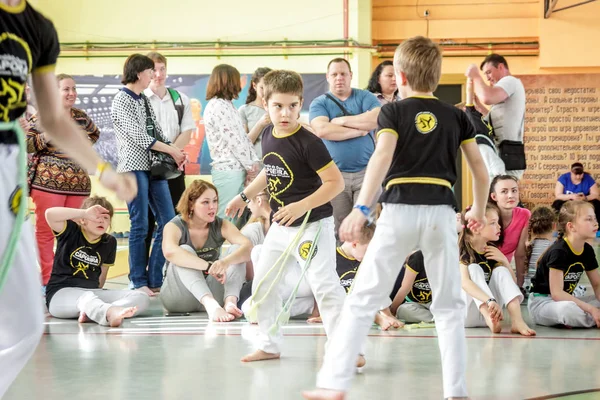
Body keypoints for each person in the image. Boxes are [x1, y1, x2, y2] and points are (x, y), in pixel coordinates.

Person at [302, 36, 489, 400]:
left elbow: (382, 157)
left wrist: (362, 208)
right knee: (449, 306)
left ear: (399, 76)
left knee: (363, 298)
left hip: (399, 210)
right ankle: (457, 391)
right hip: (440, 212)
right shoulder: (457, 116)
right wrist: (478, 211)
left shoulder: (393, 112)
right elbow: (480, 172)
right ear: (437, 76)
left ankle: (335, 383)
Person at [0, 1, 136, 397]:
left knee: (26, 323)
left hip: (8, 162)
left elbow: (55, 118)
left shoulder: (37, 28)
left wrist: (104, 172)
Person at [225, 70, 356, 366]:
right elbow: (268, 171)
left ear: (300, 103)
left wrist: (300, 206)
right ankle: (270, 345)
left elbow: (334, 184)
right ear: (265, 103)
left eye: (292, 106)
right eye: (278, 106)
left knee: (325, 286)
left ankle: (348, 351)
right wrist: (243, 196)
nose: (285, 113)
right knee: (264, 285)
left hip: (313, 225)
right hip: (282, 227)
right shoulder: (270, 134)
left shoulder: (309, 142)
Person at [111, 54, 185, 296]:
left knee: (169, 220)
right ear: (138, 72)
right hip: (133, 168)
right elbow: (139, 137)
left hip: (153, 168)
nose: (153, 76)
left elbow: (157, 132)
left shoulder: (142, 99)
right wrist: (171, 150)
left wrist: (175, 154)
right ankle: (137, 280)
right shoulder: (121, 100)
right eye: (149, 71)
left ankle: (155, 278)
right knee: (140, 224)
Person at [27, 74, 100, 288]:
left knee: (75, 232)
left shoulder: (81, 117)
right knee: (46, 231)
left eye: (74, 89)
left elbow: (95, 134)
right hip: (47, 184)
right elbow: (27, 144)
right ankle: (49, 281)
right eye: (66, 89)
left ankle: (69, 278)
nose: (71, 93)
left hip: (78, 186)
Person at [45, 197, 150, 326]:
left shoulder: (110, 242)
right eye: (96, 217)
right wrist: (83, 213)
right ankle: (106, 311)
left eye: (106, 218)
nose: (101, 220)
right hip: (61, 294)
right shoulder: (71, 231)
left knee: (140, 297)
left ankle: (98, 311)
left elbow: (102, 276)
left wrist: (100, 298)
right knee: (86, 299)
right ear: (83, 220)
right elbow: (49, 214)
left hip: (92, 293)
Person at [160, 180, 252, 322]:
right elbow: (170, 252)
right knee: (183, 250)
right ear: (191, 204)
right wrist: (209, 266)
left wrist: (225, 262)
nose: (212, 207)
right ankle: (211, 305)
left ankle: (230, 302)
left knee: (237, 250)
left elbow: (248, 247)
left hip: (214, 292)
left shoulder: (221, 225)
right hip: (179, 297)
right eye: (205, 202)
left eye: (215, 201)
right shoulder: (174, 225)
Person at [309, 58, 381, 232]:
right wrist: (359, 130)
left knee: (366, 225)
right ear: (327, 77)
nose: (339, 78)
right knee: (338, 226)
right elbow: (322, 130)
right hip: (335, 175)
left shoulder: (365, 97)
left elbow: (377, 118)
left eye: (343, 74)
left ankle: (364, 259)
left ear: (351, 76)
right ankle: (341, 259)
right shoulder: (320, 103)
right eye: (334, 74)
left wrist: (342, 121)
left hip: (366, 173)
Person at [143, 52, 196, 263]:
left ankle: (171, 268)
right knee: (145, 223)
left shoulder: (180, 99)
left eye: (162, 69)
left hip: (173, 168)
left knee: (176, 220)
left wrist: (171, 152)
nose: (158, 74)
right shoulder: (140, 99)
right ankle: (141, 274)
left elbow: (187, 132)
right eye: (153, 70)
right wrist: (167, 151)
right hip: (146, 168)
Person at [458, 204, 536, 336]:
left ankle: (517, 321)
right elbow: (464, 283)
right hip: (466, 314)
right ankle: (489, 317)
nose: (499, 227)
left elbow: (513, 283)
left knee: (501, 270)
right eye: (493, 223)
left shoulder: (492, 250)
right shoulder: (462, 249)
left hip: (494, 314)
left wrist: (505, 262)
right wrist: (489, 300)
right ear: (476, 228)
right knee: (474, 268)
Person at [528, 201, 600, 328]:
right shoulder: (559, 251)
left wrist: (592, 307)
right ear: (571, 227)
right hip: (543, 303)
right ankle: (588, 317)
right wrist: (591, 309)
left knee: (591, 304)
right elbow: (557, 294)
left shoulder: (587, 250)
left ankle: (585, 319)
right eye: (589, 219)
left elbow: (597, 284)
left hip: (567, 300)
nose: (595, 223)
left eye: (595, 218)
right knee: (568, 310)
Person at [204, 64, 260, 224]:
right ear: (228, 81)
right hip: (229, 171)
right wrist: (251, 166)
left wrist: (253, 162)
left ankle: (235, 250)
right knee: (227, 221)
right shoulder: (218, 106)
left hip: (238, 170)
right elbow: (234, 141)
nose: (240, 85)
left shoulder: (228, 105)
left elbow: (243, 138)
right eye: (236, 80)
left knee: (240, 222)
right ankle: (222, 250)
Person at [466, 54, 526, 180]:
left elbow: (487, 97)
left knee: (502, 192)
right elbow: (495, 121)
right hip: (505, 152)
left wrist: (475, 74)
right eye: (484, 74)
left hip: (508, 153)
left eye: (489, 72)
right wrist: (479, 108)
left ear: (500, 67)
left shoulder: (510, 81)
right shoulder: (505, 90)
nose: (487, 78)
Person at [488, 175, 530, 289]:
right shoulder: (485, 214)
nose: (511, 195)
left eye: (514, 190)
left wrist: (519, 286)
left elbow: (520, 254)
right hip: (481, 266)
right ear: (494, 196)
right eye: (504, 191)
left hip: (503, 269)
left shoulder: (525, 214)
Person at [461, 78, 505, 180]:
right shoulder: (469, 114)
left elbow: (492, 120)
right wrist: (470, 81)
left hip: (485, 146)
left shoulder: (482, 120)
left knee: (491, 174)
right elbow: (469, 96)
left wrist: (480, 105)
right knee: (498, 170)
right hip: (482, 146)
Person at [239, 67, 272, 159]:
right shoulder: (244, 110)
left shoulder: (279, 109)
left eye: (269, 87)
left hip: (277, 164)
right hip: (255, 166)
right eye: (262, 87)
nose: (266, 91)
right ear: (254, 86)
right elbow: (243, 145)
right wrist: (260, 124)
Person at [524, 206, 555, 293]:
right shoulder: (553, 247)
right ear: (554, 226)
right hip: (544, 289)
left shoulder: (528, 245)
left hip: (527, 287)